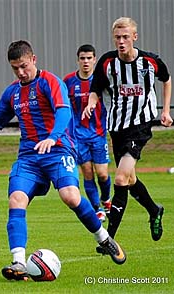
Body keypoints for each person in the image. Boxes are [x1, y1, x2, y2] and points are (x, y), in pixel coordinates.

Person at [0, 40, 127, 281]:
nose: (20, 72)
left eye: (24, 66)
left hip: (58, 151)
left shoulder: (50, 82)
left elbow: (63, 111)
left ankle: (104, 238)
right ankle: (18, 262)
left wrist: (52, 137)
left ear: (34, 60)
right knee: (16, 199)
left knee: (70, 195)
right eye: (15, 68)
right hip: (29, 157)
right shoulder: (12, 93)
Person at [82, 17, 172, 250]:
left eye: (125, 37)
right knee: (130, 179)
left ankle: (108, 240)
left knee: (121, 179)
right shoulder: (107, 62)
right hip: (117, 128)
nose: (121, 42)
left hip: (141, 126)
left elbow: (167, 79)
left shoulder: (150, 61)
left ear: (135, 37)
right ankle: (154, 210)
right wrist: (91, 103)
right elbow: (95, 90)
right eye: (117, 38)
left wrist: (165, 110)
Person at [63, 44, 111, 221]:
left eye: (89, 58)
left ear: (94, 60)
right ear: (78, 60)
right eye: (82, 58)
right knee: (88, 172)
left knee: (103, 173)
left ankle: (106, 200)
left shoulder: (101, 81)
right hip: (78, 136)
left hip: (98, 133)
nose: (85, 61)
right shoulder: (68, 81)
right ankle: (97, 208)